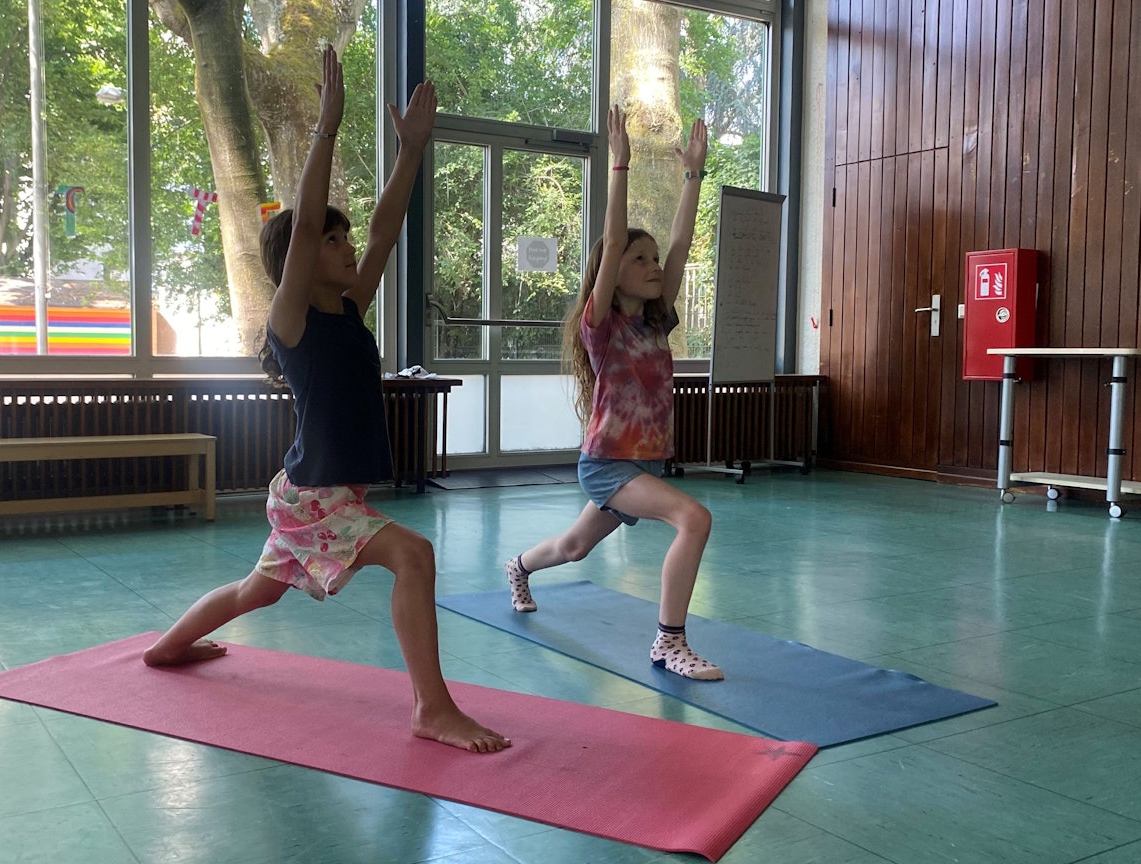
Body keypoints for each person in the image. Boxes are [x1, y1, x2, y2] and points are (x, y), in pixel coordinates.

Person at [144, 45, 510, 753]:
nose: (347, 250)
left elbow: (386, 228)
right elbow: (305, 224)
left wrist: (411, 151)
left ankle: (166, 649)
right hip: (318, 497)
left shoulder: (347, 310)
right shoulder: (294, 322)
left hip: (305, 490)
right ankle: (431, 708)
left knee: (258, 591)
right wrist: (326, 128)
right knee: (416, 555)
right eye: (333, 243)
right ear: (301, 264)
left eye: (345, 241)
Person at [503, 106, 722, 681]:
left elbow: (680, 242)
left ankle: (518, 567)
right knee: (693, 518)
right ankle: (669, 643)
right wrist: (619, 166)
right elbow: (612, 233)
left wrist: (694, 175)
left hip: (639, 463)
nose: (654, 266)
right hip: (608, 466)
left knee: (574, 548)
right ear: (613, 270)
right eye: (639, 258)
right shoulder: (602, 324)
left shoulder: (656, 322)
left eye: (653, 260)